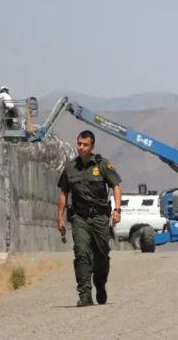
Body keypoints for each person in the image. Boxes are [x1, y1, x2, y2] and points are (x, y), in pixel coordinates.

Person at [57, 130, 123, 307]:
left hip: (100, 217)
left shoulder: (102, 164)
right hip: (80, 217)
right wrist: (60, 218)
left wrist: (117, 209)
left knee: (101, 256)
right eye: (79, 144)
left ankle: (100, 283)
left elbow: (116, 186)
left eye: (85, 145)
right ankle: (85, 294)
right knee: (81, 252)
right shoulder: (71, 167)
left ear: (92, 146)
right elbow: (63, 193)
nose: (81, 147)